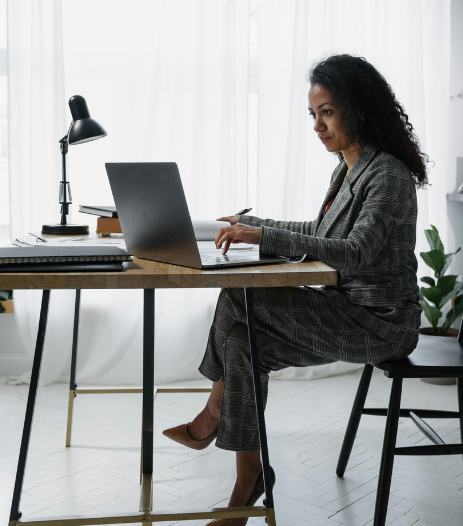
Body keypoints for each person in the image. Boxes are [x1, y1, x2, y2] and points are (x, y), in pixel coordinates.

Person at [162, 54, 429, 526]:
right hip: (345, 308)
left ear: (358, 108)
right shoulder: (349, 168)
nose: (318, 126)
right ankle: (248, 481)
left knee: (235, 294)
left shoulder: (387, 173)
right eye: (313, 114)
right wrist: (256, 223)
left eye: (327, 112)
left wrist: (263, 238)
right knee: (242, 345)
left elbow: (355, 252)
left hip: (381, 324)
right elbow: (320, 229)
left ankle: (211, 416)